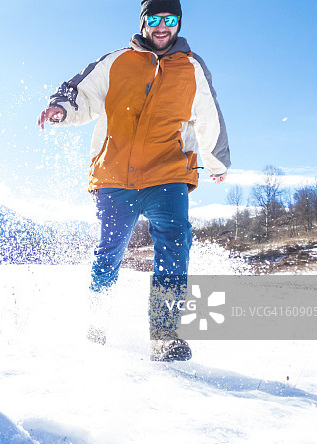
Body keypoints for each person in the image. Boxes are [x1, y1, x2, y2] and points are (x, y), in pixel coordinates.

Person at [38, 0, 230, 361]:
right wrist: (61, 108)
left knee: (175, 241)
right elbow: (81, 92)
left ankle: (164, 332)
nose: (162, 26)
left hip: (167, 171)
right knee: (110, 251)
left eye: (170, 19)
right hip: (114, 175)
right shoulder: (116, 61)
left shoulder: (191, 67)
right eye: (155, 19)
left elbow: (208, 114)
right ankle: (96, 323)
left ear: (178, 23)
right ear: (144, 22)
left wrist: (216, 162)